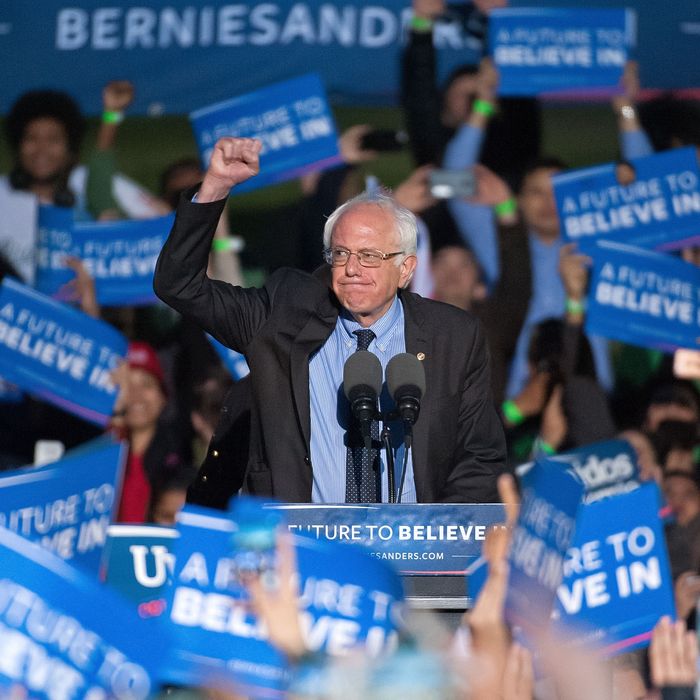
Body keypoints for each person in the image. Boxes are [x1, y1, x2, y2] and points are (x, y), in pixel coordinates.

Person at [154, 137, 506, 505]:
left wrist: (442, 542)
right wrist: (215, 187)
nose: (352, 269)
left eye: (370, 255)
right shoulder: (282, 315)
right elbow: (178, 284)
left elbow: (479, 456)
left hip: (412, 554)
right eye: (341, 254)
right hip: (304, 551)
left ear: (405, 269)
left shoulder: (452, 336)